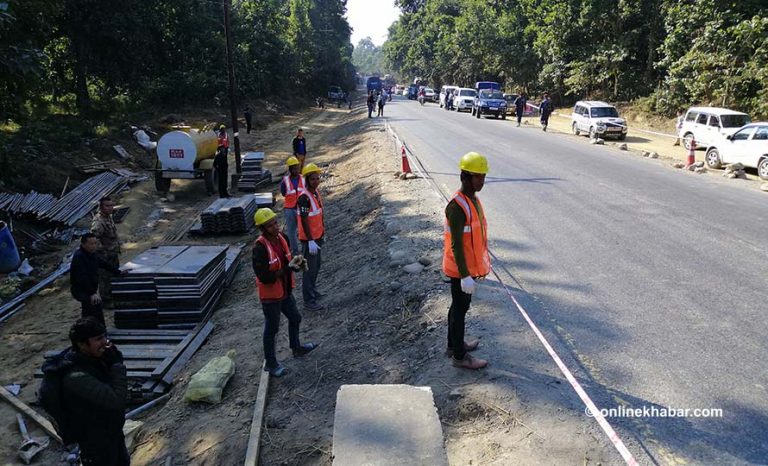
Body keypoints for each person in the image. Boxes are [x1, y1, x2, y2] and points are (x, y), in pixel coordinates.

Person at [43, 318, 130, 465]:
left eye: (104, 336)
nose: (105, 342)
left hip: (110, 432)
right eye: (98, 339)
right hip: (96, 442)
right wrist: (116, 366)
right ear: (82, 344)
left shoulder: (92, 359)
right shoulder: (76, 377)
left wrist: (111, 362)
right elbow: (116, 400)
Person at [252, 208, 317, 377]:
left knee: (295, 317)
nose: (275, 227)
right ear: (262, 229)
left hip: (285, 291)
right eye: (270, 225)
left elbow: (287, 261)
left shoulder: (283, 238)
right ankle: (271, 364)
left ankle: (296, 348)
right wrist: (287, 269)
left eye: (275, 223)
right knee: (271, 329)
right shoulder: (259, 248)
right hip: (271, 296)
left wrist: (297, 264)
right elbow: (264, 276)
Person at [443, 152, 491, 370]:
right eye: (477, 177)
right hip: (459, 269)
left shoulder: (473, 200)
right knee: (460, 310)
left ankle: (454, 345)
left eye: (483, 176)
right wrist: (464, 275)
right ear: (464, 177)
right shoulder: (457, 207)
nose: (481, 181)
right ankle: (460, 357)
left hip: (468, 268)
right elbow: (456, 244)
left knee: (459, 307)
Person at [70, 233, 124, 325]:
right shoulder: (79, 257)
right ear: (83, 244)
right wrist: (92, 293)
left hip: (90, 288)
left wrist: (118, 271)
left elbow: (103, 264)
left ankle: (93, 329)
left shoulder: (92, 254)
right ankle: (94, 330)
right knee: (93, 306)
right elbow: (82, 278)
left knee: (92, 309)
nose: (94, 246)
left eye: (95, 243)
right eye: (91, 244)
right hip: (81, 289)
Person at [297, 163, 325, 312]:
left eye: (317, 178)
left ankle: (313, 291)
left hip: (317, 237)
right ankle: (309, 300)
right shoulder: (304, 198)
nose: (316, 181)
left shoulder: (315, 193)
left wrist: (322, 234)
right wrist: (310, 241)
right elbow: (304, 219)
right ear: (307, 180)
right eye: (312, 179)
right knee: (309, 270)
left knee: (316, 267)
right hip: (310, 240)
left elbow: (319, 215)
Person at [91, 197, 120, 308]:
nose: (110, 208)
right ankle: (106, 301)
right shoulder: (98, 221)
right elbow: (95, 238)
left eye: (111, 205)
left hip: (112, 253)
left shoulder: (108, 217)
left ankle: (113, 296)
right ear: (101, 207)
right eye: (107, 206)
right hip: (104, 256)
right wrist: (102, 253)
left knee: (114, 275)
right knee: (105, 278)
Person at [280, 156, 305, 254]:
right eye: (293, 168)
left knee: (303, 230)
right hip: (289, 209)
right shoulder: (285, 181)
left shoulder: (303, 179)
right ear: (290, 169)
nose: (296, 170)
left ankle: (304, 249)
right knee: (291, 232)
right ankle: (295, 252)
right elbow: (283, 192)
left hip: (301, 208)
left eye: (297, 167)